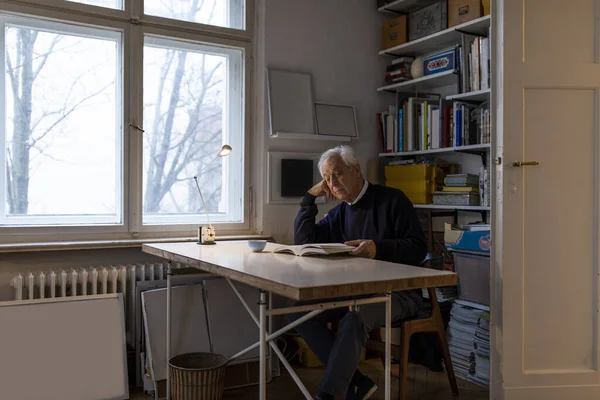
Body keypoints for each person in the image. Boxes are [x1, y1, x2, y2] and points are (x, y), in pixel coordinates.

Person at [291, 145, 428, 400]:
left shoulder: (393, 200)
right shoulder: (341, 212)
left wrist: (378, 248)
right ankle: (356, 383)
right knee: (300, 313)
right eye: (327, 179)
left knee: (356, 316)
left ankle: (329, 395)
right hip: (358, 292)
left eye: (338, 174)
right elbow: (303, 241)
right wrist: (310, 198)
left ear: (356, 170)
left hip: (400, 293)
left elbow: (419, 248)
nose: (333, 183)